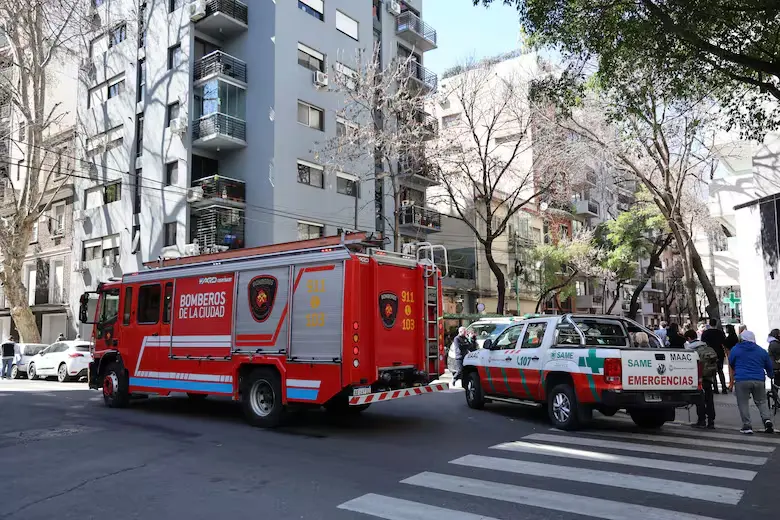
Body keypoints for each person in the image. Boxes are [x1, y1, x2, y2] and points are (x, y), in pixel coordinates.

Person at [728, 330, 774, 434]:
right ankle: (767, 420)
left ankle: (747, 425)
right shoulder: (761, 350)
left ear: (742, 339)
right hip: (758, 379)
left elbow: (731, 361)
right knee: (761, 401)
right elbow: (768, 365)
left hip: (741, 379)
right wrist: (771, 375)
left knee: (743, 403)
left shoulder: (736, 349)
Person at [684, 329, 718, 429]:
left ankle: (701, 420)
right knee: (709, 400)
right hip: (709, 377)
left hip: (698, 378)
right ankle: (711, 421)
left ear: (689, 338)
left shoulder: (690, 349)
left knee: (700, 400)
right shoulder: (705, 346)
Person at [701, 318, 728, 393]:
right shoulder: (720, 333)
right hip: (719, 352)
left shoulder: (705, 333)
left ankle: (715, 388)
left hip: (710, 353)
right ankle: (724, 387)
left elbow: (703, 343)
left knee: (712, 371)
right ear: (716, 324)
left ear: (709, 324)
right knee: (720, 370)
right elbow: (724, 342)